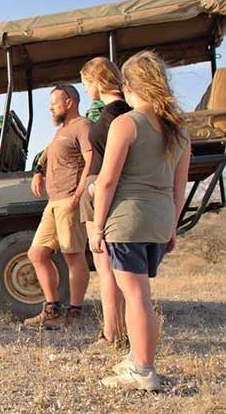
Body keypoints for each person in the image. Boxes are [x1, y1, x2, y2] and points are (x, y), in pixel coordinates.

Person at [93, 51, 190, 391]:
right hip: (161, 219)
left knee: (136, 296)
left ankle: (144, 370)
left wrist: (96, 225)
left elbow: (107, 181)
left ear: (131, 86)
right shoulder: (179, 131)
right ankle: (137, 358)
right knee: (141, 295)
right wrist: (173, 227)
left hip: (128, 219)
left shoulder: (127, 123)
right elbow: (179, 188)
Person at [26, 85, 92, 327]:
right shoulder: (61, 131)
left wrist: (78, 195)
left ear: (70, 102)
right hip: (52, 203)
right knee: (37, 253)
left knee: (72, 255)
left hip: (68, 201)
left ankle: (75, 313)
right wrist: (38, 172)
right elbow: (45, 155)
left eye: (54, 102)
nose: (50, 107)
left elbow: (92, 159)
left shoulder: (83, 126)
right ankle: (52, 309)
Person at [79, 58, 132, 348]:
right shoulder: (126, 112)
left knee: (106, 267)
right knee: (115, 266)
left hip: (101, 188)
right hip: (107, 188)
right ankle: (117, 328)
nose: (86, 89)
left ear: (96, 79)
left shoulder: (114, 114)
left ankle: (111, 332)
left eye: (86, 83)